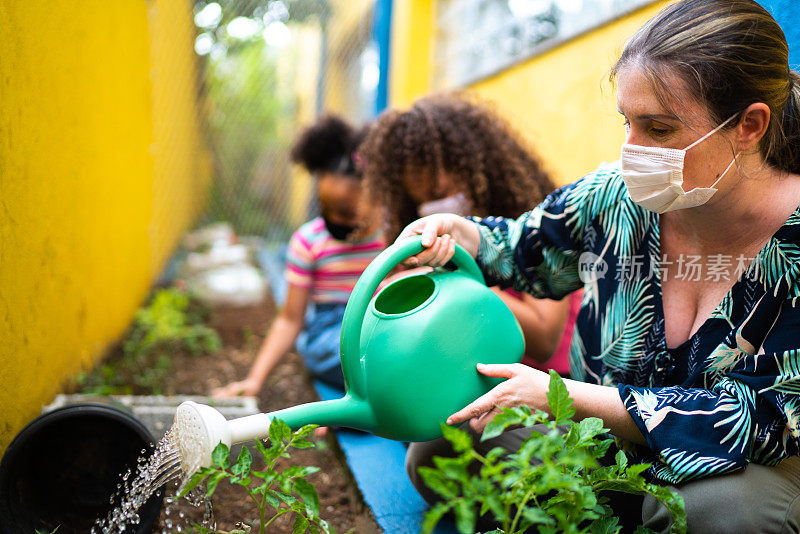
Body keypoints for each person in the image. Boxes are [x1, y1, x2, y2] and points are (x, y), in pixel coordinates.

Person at [400, 1, 800, 532]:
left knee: (724, 514)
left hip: (740, 468)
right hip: (601, 449)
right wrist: (459, 235)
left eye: (658, 128)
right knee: (444, 444)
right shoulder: (616, 196)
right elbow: (519, 248)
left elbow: (766, 421)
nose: (631, 150)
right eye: (627, 122)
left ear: (749, 125)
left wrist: (565, 397)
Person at [358, 93, 579, 373]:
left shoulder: (537, 223)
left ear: (477, 165)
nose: (438, 207)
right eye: (424, 199)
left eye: (440, 192)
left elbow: (545, 341)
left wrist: (459, 277)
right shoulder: (419, 237)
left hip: (551, 386)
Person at [213, 115, 383, 397]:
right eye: (327, 208)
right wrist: (255, 380)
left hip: (382, 326)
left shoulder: (394, 234)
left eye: (347, 212)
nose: (335, 220)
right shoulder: (309, 241)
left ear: (377, 195)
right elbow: (290, 319)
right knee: (370, 356)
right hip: (332, 337)